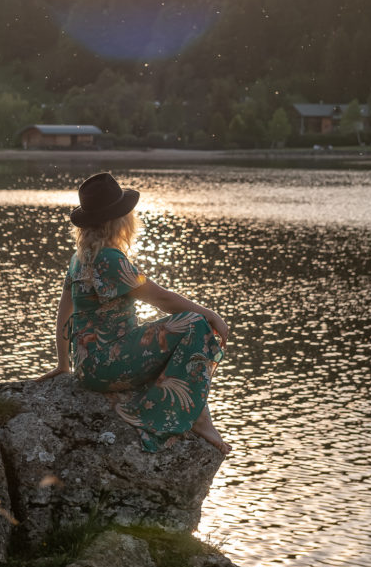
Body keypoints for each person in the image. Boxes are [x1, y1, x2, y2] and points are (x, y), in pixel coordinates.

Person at [38, 172, 231, 454]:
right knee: (195, 324)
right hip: (109, 364)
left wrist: (64, 364)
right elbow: (162, 299)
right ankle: (199, 418)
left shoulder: (79, 258)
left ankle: (195, 412)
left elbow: (64, 312)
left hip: (87, 367)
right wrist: (211, 314)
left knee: (175, 331)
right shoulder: (110, 259)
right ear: (117, 220)